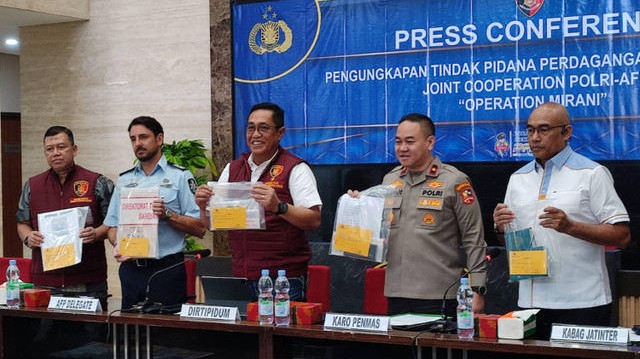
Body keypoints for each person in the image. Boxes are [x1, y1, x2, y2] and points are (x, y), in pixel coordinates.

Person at [493, 102, 630, 339]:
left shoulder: (592, 174)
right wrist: (500, 227)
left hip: (582, 302)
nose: (534, 138)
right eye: (530, 130)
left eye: (544, 129)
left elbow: (622, 236)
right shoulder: (518, 178)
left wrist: (570, 226)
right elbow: (510, 242)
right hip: (531, 302)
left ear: (566, 132)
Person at [349, 113, 487, 316]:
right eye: (398, 141)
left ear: (430, 142)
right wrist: (357, 208)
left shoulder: (455, 181)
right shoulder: (390, 180)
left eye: (410, 141)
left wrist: (477, 289)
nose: (402, 148)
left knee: (436, 349)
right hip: (397, 292)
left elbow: (474, 238)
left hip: (440, 294)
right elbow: (376, 235)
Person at [195, 102, 322, 301]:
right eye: (250, 128)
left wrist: (279, 207)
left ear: (280, 133)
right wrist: (204, 208)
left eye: (264, 128)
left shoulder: (295, 168)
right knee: (246, 332)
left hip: (282, 278)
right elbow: (212, 224)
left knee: (280, 332)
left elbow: (314, 220)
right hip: (242, 275)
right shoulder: (233, 168)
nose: (255, 134)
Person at [104, 116, 206, 310]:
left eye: (143, 137)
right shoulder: (125, 180)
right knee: (131, 332)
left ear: (159, 139)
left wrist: (168, 214)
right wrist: (118, 243)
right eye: (133, 139)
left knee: (166, 335)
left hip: (166, 270)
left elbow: (200, 228)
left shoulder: (180, 176)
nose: (138, 143)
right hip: (131, 269)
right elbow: (112, 226)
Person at [17, 126, 114, 307]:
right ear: (45, 153)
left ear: (74, 149)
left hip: (88, 281)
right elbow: (22, 223)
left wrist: (96, 233)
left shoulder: (96, 182)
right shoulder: (33, 185)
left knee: (91, 336)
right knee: (46, 335)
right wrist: (28, 237)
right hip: (46, 282)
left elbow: (113, 222)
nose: (56, 153)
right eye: (50, 149)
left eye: (61, 147)